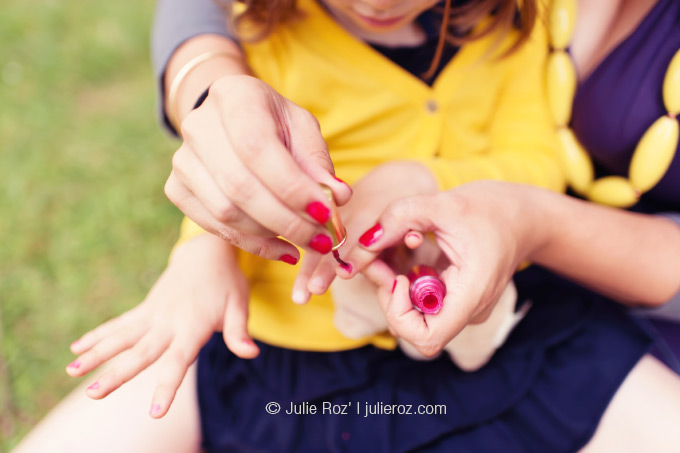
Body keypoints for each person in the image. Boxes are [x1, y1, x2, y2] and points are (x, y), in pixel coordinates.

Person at [11, 1, 674, 452]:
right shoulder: (263, 30)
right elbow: (234, 174)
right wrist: (200, 259)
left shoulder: (510, 29)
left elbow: (537, 159)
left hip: (498, 339)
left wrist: (425, 177)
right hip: (285, 360)